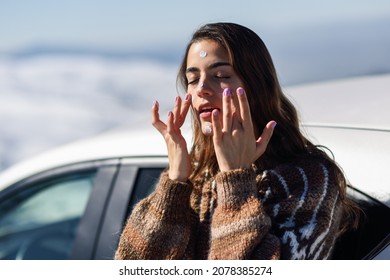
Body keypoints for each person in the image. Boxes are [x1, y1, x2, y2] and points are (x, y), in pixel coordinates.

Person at [115, 22, 359, 260]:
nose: (201, 89)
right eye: (192, 79)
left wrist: (235, 182)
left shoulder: (308, 179)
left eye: (220, 75)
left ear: (257, 86)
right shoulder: (197, 174)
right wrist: (175, 183)